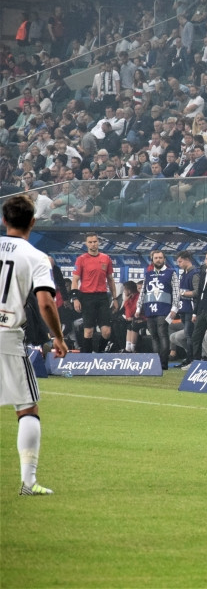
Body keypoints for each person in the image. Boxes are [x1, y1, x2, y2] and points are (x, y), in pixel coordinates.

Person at [1, 195, 68, 496]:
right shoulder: (37, 257)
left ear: (4, 221)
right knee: (27, 408)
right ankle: (28, 483)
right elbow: (45, 303)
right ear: (32, 222)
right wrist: (58, 336)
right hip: (7, 336)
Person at [70, 232, 118, 353]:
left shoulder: (106, 258)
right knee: (89, 331)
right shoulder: (81, 259)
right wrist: (75, 298)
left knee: (107, 331)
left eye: (95, 242)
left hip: (102, 297)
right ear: (86, 244)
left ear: (99, 242)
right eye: (90, 242)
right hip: (86, 297)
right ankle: (87, 357)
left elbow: (110, 280)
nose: (93, 244)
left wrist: (115, 298)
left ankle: (99, 353)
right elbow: (75, 280)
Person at [136, 250, 179, 371]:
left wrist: (175, 308)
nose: (158, 260)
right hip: (150, 310)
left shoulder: (171, 273)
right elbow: (143, 292)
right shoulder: (148, 274)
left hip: (164, 309)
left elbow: (176, 291)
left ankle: (163, 363)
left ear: (164, 259)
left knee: (162, 335)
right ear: (152, 260)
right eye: (156, 258)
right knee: (154, 336)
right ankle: (156, 363)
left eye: (160, 258)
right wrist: (139, 307)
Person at [174, 252, 200, 366]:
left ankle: (192, 359)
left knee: (190, 335)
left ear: (187, 259)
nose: (178, 264)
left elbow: (197, 292)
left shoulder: (195, 273)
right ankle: (189, 358)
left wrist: (182, 293)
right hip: (183, 308)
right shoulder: (184, 274)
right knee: (187, 334)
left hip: (191, 308)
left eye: (180, 261)